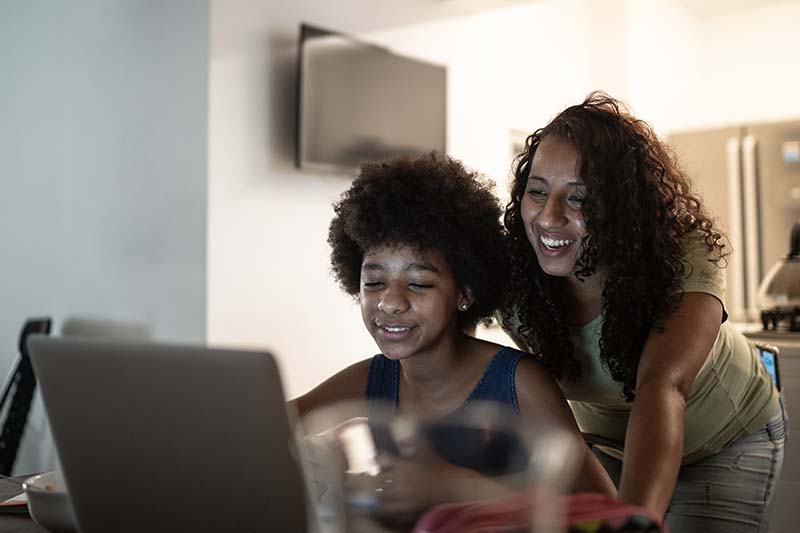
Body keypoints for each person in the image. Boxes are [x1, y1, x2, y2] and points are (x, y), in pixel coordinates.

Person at [500, 91, 786, 532]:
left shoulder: (681, 255)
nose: (549, 217)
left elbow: (663, 385)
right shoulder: (512, 280)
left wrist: (632, 522)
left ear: (620, 207)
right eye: (538, 191)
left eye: (578, 199)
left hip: (726, 439)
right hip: (605, 447)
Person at [291, 152, 616, 521]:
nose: (390, 302)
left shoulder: (519, 382)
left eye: (418, 283)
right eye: (374, 282)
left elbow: (603, 509)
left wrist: (452, 487)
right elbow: (268, 422)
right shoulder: (373, 378)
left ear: (465, 292)